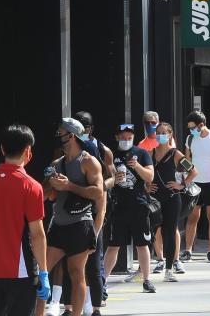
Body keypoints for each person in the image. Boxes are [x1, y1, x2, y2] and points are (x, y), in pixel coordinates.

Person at [0, 125, 50, 316]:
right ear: (28, 151)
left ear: (2, 149)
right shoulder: (32, 186)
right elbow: (37, 234)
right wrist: (44, 272)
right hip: (21, 272)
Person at [39, 119, 104, 316]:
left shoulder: (89, 162)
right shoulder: (56, 164)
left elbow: (98, 192)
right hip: (58, 224)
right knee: (42, 273)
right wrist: (52, 184)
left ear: (72, 135)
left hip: (80, 225)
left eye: (61, 132)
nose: (58, 136)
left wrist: (69, 187)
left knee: (77, 273)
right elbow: (43, 194)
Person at [104, 124, 157, 294]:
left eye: (129, 137)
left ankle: (147, 279)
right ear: (117, 137)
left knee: (142, 244)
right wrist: (114, 180)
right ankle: (102, 281)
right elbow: (105, 177)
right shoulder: (111, 155)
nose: (126, 140)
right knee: (113, 245)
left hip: (139, 205)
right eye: (123, 137)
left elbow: (150, 177)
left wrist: (137, 167)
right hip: (119, 206)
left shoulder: (141, 153)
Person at [72, 111, 115, 316]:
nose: (80, 130)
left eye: (84, 127)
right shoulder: (65, 150)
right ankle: (66, 303)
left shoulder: (102, 150)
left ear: (90, 129)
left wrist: (99, 188)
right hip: (71, 207)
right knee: (71, 259)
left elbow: (113, 178)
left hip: (95, 207)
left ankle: (95, 302)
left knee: (94, 257)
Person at [147, 123, 197, 281]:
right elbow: (144, 173)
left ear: (170, 135)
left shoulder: (175, 154)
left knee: (170, 232)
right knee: (152, 231)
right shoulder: (151, 153)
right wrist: (147, 186)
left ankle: (169, 269)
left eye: (164, 133)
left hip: (172, 197)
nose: (161, 135)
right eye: (159, 132)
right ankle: (151, 265)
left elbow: (193, 171)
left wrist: (181, 185)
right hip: (154, 199)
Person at [181, 111, 210, 263]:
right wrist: (186, 180)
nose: (191, 130)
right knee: (192, 216)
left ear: (201, 125)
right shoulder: (190, 138)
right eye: (189, 128)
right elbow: (187, 160)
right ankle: (188, 250)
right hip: (195, 182)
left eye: (193, 127)